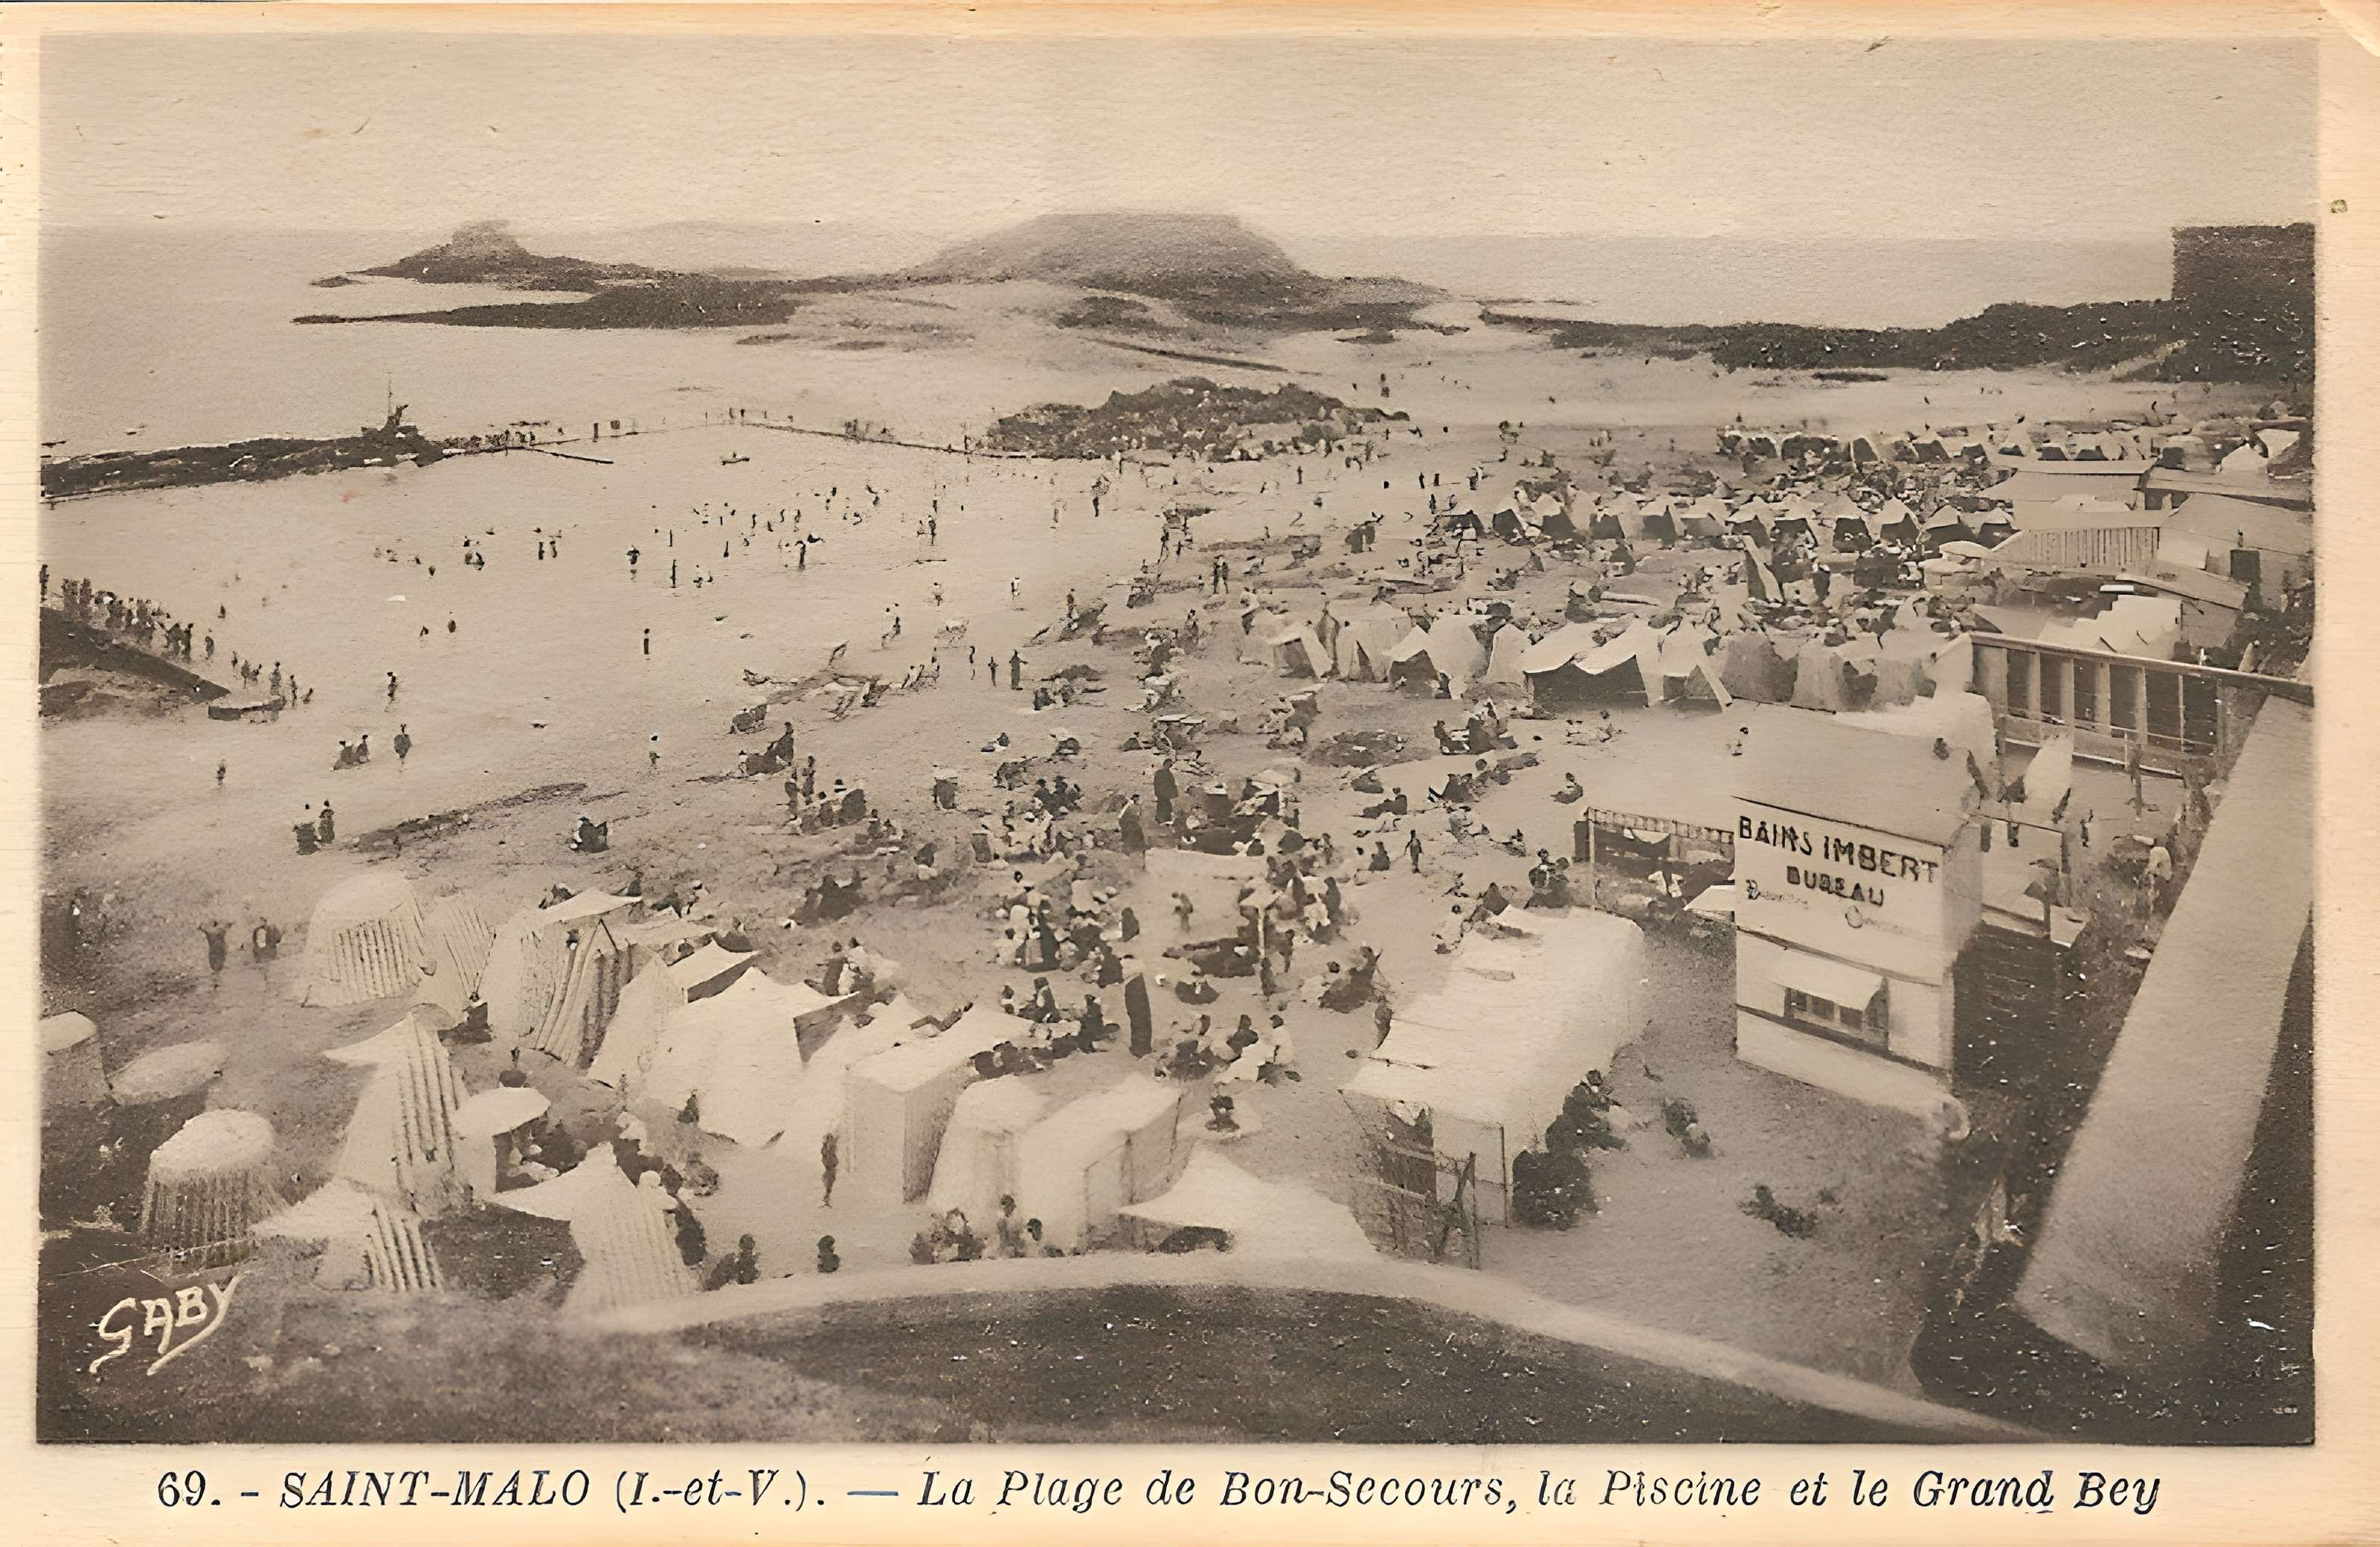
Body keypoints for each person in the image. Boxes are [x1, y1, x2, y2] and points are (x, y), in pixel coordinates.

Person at [199, 919, 230, 988]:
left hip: (214, 952)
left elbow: (205, 931)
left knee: (216, 968)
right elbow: (227, 927)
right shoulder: (220, 933)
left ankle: (216, 981)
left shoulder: (211, 934)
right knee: (217, 968)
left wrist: (201, 928)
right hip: (219, 952)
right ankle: (217, 981)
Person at [820, 1131, 839, 1207]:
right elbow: (824, 1155)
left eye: (831, 1137)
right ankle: (826, 1199)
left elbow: (832, 1155)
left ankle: (827, 1199)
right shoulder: (825, 1148)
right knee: (827, 1183)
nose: (830, 1139)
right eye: (828, 1138)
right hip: (828, 1168)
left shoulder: (831, 1146)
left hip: (831, 1167)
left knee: (830, 1183)